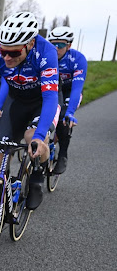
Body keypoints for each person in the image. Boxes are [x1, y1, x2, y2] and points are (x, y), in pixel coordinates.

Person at [0, 12, 60, 241]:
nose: (6, 57)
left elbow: (50, 99)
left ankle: (36, 174)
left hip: (41, 102)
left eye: (13, 53)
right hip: (16, 103)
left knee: (31, 138)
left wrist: (39, 135)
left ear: (31, 43)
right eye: (3, 51)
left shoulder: (46, 53)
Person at [48, 25, 87, 174]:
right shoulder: (46, 58)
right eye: (53, 44)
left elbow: (77, 88)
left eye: (61, 44)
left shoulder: (77, 59)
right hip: (53, 89)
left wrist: (70, 112)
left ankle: (63, 153)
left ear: (69, 45)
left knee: (63, 118)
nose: (56, 48)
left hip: (70, 90)